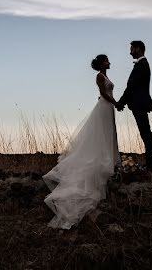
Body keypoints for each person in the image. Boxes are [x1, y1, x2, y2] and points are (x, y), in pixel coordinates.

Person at [43, 54, 121, 229]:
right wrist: (116, 102)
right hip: (104, 106)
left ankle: (108, 159)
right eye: (106, 60)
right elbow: (103, 93)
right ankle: (101, 161)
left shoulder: (106, 76)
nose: (109, 62)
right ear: (101, 63)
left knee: (108, 134)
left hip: (108, 108)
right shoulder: (100, 76)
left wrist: (115, 104)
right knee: (101, 135)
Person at [115, 40, 152, 171]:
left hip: (140, 104)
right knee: (145, 133)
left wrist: (121, 102)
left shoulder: (142, 64)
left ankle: (151, 165)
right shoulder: (141, 64)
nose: (130, 52)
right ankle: (151, 164)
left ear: (138, 49)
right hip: (138, 104)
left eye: (132, 49)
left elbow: (131, 87)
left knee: (146, 134)